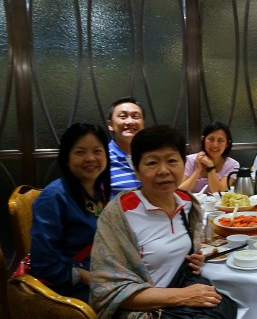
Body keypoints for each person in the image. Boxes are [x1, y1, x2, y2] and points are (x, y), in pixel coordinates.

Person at [90, 125, 237, 318]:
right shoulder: (119, 214)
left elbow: (178, 252)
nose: (163, 170)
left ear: (183, 164)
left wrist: (192, 256)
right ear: (136, 169)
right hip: (146, 312)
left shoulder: (187, 203)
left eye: (172, 161)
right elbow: (108, 292)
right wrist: (181, 296)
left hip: (183, 296)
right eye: (151, 163)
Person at [30, 123, 111, 302]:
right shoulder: (53, 197)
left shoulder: (104, 193)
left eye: (97, 151)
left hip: (107, 275)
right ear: (66, 158)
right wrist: (88, 278)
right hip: (72, 286)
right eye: (80, 152)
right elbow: (44, 263)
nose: (90, 158)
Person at [180, 122, 240, 193]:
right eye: (211, 139)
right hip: (191, 203)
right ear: (203, 139)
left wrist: (210, 167)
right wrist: (198, 170)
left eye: (220, 140)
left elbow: (218, 192)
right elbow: (180, 191)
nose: (215, 145)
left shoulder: (233, 165)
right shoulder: (190, 160)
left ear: (227, 144)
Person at [107, 97, 145, 197]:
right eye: (123, 117)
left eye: (135, 117)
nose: (130, 122)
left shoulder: (151, 154)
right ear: (110, 125)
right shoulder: (102, 157)